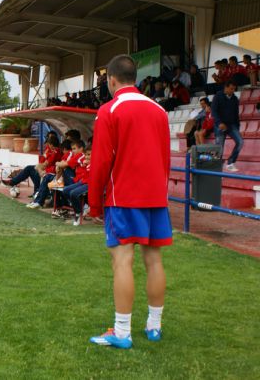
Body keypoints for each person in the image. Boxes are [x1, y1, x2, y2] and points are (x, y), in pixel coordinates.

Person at [88, 54, 172, 349]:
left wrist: (94, 203)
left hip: (123, 197)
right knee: (154, 261)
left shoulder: (109, 110)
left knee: (122, 261)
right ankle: (154, 326)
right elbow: (166, 157)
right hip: (155, 198)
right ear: (134, 77)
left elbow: (100, 162)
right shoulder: (159, 110)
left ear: (111, 79)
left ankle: (122, 332)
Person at [211, 80, 244, 172]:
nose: (233, 90)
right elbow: (214, 111)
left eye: (234, 89)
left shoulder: (235, 99)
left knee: (240, 142)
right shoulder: (217, 96)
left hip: (231, 125)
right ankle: (218, 169)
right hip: (219, 125)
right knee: (219, 148)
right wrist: (219, 123)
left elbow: (236, 114)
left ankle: (230, 162)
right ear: (226, 87)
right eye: (231, 88)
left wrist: (237, 127)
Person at [62, 147, 91, 226]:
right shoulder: (86, 162)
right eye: (86, 155)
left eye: (89, 155)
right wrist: (86, 165)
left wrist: (88, 164)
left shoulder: (97, 163)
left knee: (73, 193)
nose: (87, 157)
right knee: (65, 190)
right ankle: (81, 207)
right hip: (83, 181)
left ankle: (78, 213)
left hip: (91, 184)